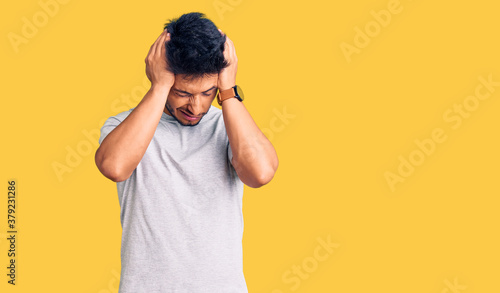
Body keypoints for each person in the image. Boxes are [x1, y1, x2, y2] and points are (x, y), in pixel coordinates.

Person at [95, 12, 278, 292]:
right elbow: (115, 167)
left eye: (207, 93)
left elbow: (261, 173)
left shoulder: (230, 126)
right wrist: (158, 88)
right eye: (182, 92)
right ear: (163, 76)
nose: (196, 107)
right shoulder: (123, 126)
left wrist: (228, 90)